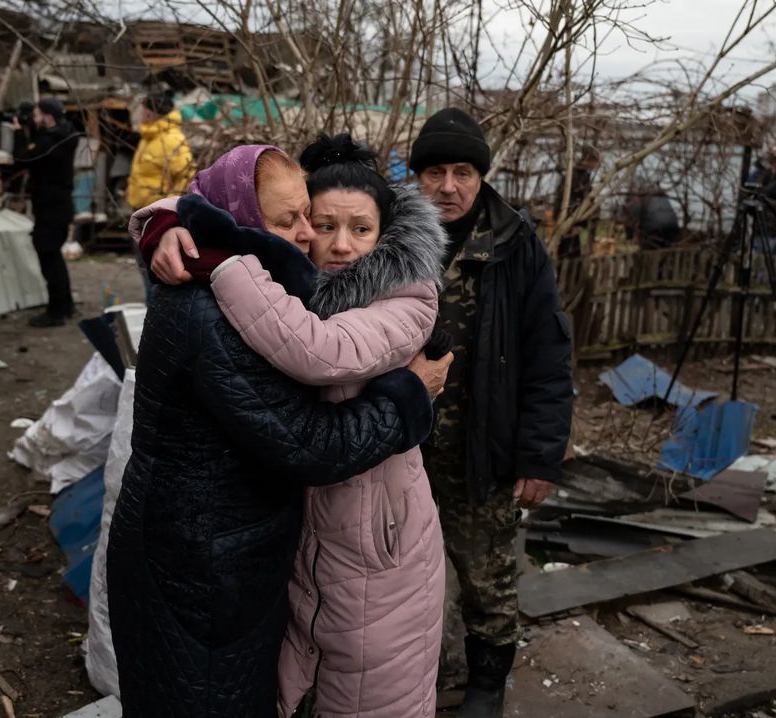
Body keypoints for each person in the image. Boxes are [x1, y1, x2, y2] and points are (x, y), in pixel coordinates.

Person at [106, 144, 451, 718]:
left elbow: (323, 355)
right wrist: (171, 221)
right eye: (306, 222)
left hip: (354, 541)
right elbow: (310, 443)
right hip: (204, 560)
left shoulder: (292, 288)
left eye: (360, 228)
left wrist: (210, 246)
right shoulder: (218, 306)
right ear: (235, 215)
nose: (318, 240)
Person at [408, 107, 574, 718]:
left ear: (480, 178)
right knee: (393, 574)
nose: (447, 186)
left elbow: (549, 357)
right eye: (433, 172)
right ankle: (406, 678)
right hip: (395, 445)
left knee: (486, 576)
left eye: (462, 172)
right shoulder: (389, 234)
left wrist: (540, 456)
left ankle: (485, 685)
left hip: (479, 450)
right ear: (415, 176)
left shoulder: (515, 246)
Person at [12, 97, 79, 327]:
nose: (34, 118)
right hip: (59, 207)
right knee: (55, 258)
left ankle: (56, 312)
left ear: (49, 117)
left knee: (49, 259)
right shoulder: (64, 135)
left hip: (51, 210)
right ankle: (66, 305)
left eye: (38, 114)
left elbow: (21, 158)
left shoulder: (49, 143)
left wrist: (19, 133)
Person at [126, 90, 195, 301]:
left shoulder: (172, 140)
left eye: (144, 108)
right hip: (140, 213)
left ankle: (156, 312)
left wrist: (167, 214)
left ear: (151, 111)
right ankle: (152, 308)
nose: (141, 112)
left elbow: (185, 180)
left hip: (157, 217)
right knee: (145, 268)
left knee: (156, 272)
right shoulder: (149, 136)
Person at [553, 144, 600, 258]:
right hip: (570, 220)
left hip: (569, 219)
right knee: (570, 252)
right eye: (594, 162)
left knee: (569, 251)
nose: (595, 166)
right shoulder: (579, 176)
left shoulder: (577, 174)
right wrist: (576, 222)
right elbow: (576, 200)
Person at [620, 184, 680, 250]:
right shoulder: (657, 193)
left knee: (648, 252)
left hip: (653, 227)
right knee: (666, 250)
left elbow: (630, 218)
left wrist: (629, 235)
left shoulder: (637, 196)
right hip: (673, 225)